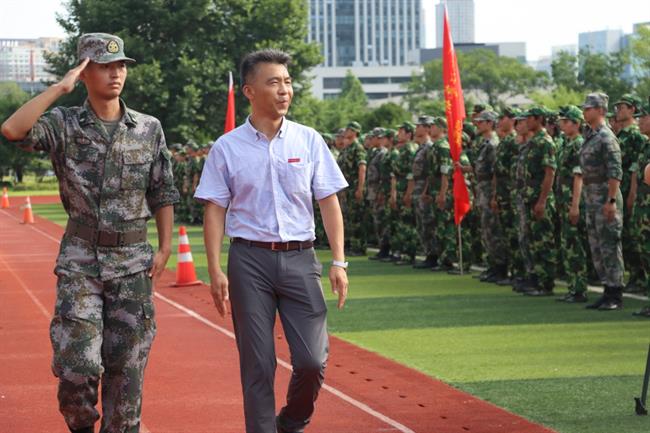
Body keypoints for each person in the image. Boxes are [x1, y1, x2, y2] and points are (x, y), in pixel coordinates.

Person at [1, 33, 178, 433]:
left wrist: (165, 247)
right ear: (83, 72)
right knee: (76, 367)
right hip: (81, 262)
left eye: (121, 66)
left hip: (132, 264)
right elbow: (12, 129)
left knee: (126, 373)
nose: (116, 73)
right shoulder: (63, 124)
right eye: (104, 66)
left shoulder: (148, 128)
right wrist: (59, 88)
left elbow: (162, 190)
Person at [195, 49, 349, 433]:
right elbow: (214, 210)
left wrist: (339, 261)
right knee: (258, 364)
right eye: (274, 82)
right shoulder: (227, 147)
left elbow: (328, 201)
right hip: (249, 261)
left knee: (312, 361)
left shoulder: (308, 140)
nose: (284, 90)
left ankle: (291, 421)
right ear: (249, 91)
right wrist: (215, 269)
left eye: (287, 82)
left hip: (301, 259)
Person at [578, 93, 625, 311]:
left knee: (609, 245)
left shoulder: (606, 137)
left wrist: (611, 200)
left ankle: (615, 293)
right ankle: (607, 289)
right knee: (596, 246)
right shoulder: (590, 135)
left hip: (605, 196)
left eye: (588, 108)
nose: (584, 112)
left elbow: (615, 171)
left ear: (600, 110)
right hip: (592, 197)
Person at [556, 106, 589, 303]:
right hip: (564, 200)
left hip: (573, 201)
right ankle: (573, 286)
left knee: (575, 245)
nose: (562, 124)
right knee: (567, 244)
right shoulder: (566, 143)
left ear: (576, 124)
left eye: (566, 121)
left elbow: (579, 177)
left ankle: (579, 289)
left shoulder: (578, 144)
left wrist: (575, 205)